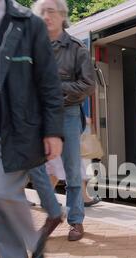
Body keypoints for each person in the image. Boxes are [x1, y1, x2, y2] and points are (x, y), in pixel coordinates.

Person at [0, 0, 64, 258]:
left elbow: (48, 81)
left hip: (17, 128)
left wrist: (53, 131)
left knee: (3, 191)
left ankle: (34, 240)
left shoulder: (27, 23)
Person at [29, 0, 96, 242]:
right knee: (36, 169)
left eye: (52, 11)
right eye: (42, 12)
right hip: (38, 116)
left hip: (67, 113)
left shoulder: (77, 48)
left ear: (62, 16)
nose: (47, 16)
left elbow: (88, 85)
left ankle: (76, 221)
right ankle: (53, 214)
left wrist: (54, 89)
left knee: (71, 171)